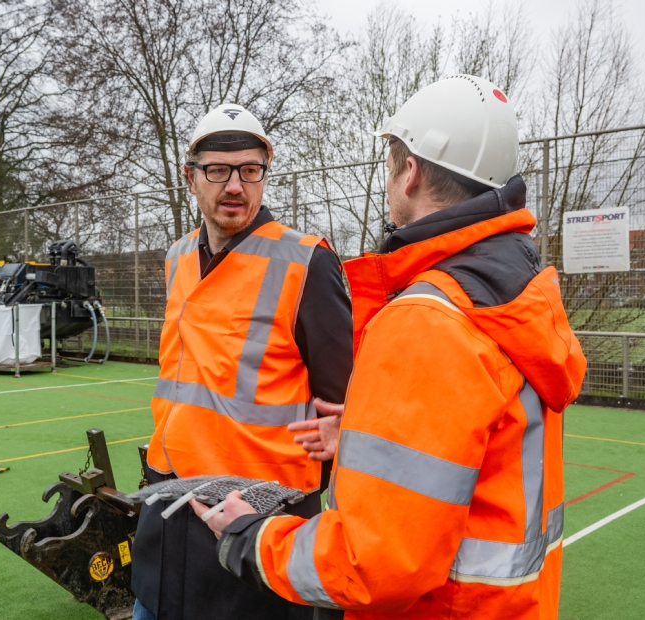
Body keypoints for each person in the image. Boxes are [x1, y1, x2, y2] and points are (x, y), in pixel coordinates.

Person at [194, 75, 587, 619]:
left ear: (411, 173)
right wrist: (360, 439)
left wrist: (255, 538)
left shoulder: (428, 317)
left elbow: (370, 562)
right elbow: (466, 454)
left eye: (389, 161)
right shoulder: (513, 292)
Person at [130, 103, 354, 620]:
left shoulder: (306, 262)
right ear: (191, 178)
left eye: (250, 171)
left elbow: (342, 409)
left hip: (256, 521)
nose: (235, 186)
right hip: (168, 508)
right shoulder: (177, 257)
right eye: (218, 171)